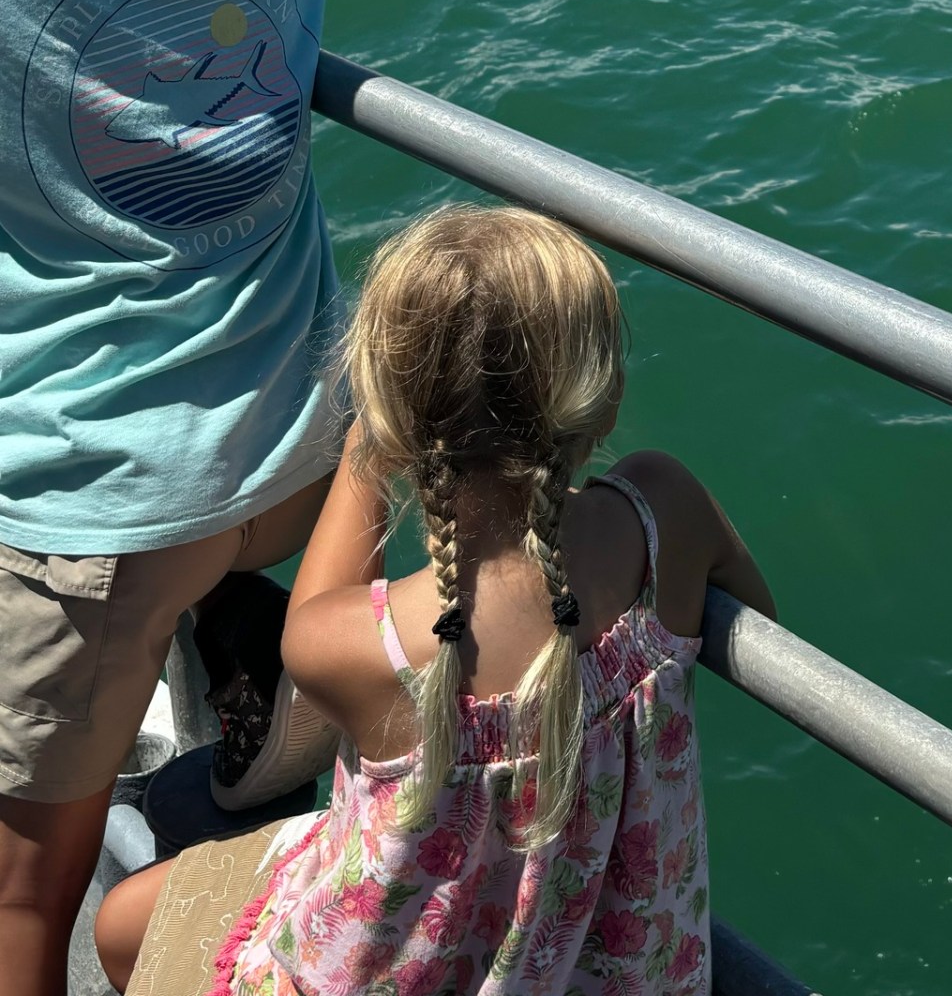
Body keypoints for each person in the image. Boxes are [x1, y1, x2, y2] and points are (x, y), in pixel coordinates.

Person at [0, 0, 450, 996]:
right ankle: (272, 715)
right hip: (287, 465)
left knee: (24, 892)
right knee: (355, 457)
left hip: (86, 510)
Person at [97, 204, 775, 995]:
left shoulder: (366, 646)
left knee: (119, 927)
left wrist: (362, 450)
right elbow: (760, 607)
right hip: (629, 971)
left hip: (400, 966)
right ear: (601, 397)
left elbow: (313, 612)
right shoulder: (665, 510)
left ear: (392, 420)